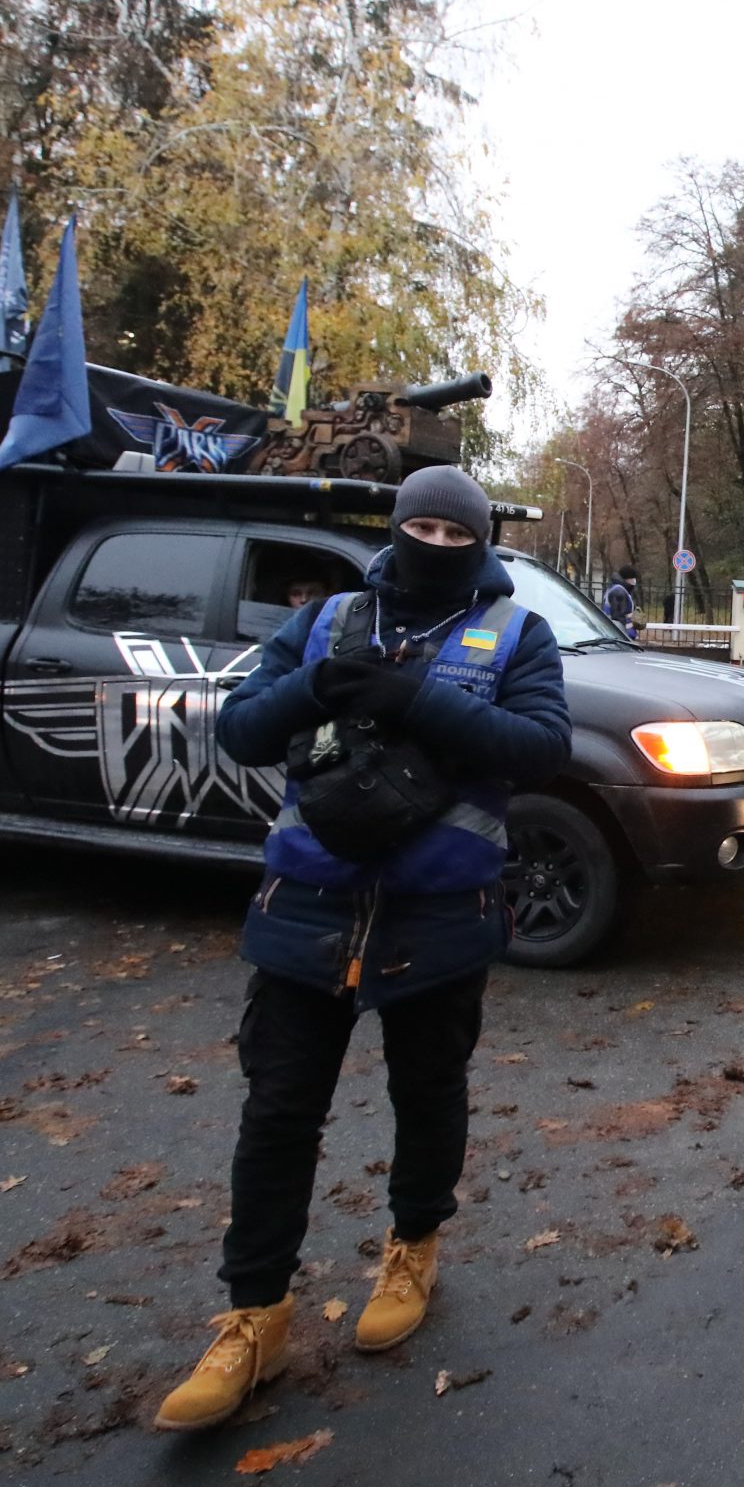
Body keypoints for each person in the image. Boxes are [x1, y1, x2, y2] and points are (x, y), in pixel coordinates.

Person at [155, 466, 571, 1432]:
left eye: (451, 529)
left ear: (478, 541)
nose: (433, 541)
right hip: (308, 905)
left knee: (426, 1096)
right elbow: (242, 729)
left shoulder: (518, 633)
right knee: (278, 1111)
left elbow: (540, 748)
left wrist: (416, 699)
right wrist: (317, 684)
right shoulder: (331, 618)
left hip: (438, 912)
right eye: (417, 524)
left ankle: (413, 1245)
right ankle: (255, 1315)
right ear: (395, 530)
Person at [602, 564, 641, 638]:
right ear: (627, 578)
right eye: (633, 578)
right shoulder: (619, 592)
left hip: (614, 632)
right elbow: (619, 617)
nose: (634, 581)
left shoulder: (617, 589)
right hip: (619, 635)